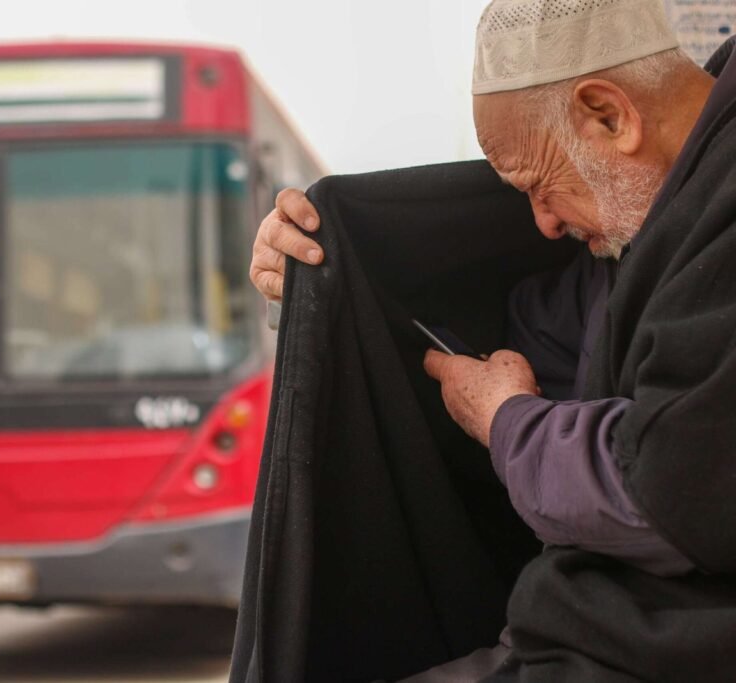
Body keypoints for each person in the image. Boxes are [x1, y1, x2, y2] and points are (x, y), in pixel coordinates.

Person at [247, 0, 736, 679]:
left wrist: (508, 420)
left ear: (610, 116)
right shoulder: (643, 234)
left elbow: (676, 492)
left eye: (540, 186)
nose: (542, 224)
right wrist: (315, 286)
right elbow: (498, 349)